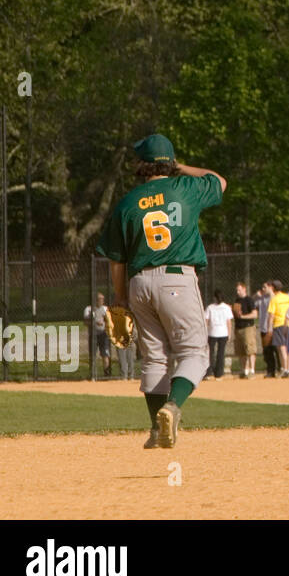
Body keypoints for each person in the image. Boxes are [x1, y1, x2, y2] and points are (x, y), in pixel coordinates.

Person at [93, 133, 226, 448]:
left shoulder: (127, 203)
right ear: (170, 163)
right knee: (194, 352)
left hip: (139, 283)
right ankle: (173, 406)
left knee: (154, 359)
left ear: (142, 166)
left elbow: (116, 261)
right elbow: (219, 181)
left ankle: (156, 429)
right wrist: (180, 167)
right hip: (177, 279)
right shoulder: (186, 188)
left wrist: (120, 299)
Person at [232, 281, 259, 378]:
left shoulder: (249, 300)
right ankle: (245, 370)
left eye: (239, 289)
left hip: (248, 327)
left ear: (244, 289)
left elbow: (255, 314)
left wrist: (242, 316)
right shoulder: (237, 301)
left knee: (250, 349)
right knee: (241, 351)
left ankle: (252, 370)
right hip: (238, 327)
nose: (237, 291)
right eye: (237, 290)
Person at [204, 291, 233, 380]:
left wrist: (205, 332)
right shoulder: (226, 307)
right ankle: (219, 374)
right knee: (220, 353)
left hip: (213, 332)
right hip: (223, 333)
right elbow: (229, 322)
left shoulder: (210, 307)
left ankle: (209, 373)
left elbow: (206, 321)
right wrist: (229, 333)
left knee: (210, 353)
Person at [268, 281, 289, 377]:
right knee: (286, 348)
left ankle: (286, 369)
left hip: (279, 324)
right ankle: (286, 368)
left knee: (282, 348)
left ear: (274, 288)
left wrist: (269, 328)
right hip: (288, 324)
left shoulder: (274, 299)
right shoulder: (288, 298)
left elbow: (271, 315)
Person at [84, 293, 112, 379]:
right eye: (99, 299)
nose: (101, 301)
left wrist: (106, 322)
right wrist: (95, 322)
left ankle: (107, 374)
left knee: (105, 354)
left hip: (104, 334)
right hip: (93, 334)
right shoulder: (89, 309)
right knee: (93, 355)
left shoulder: (106, 309)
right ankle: (93, 374)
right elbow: (85, 322)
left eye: (102, 299)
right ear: (95, 300)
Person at [255, 281, 277, 377]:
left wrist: (271, 293)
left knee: (277, 349)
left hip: (275, 328)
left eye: (265, 287)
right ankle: (270, 370)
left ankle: (281, 369)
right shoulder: (262, 298)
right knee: (267, 351)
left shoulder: (275, 298)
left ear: (270, 287)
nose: (262, 289)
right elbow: (252, 303)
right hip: (264, 328)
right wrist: (256, 296)